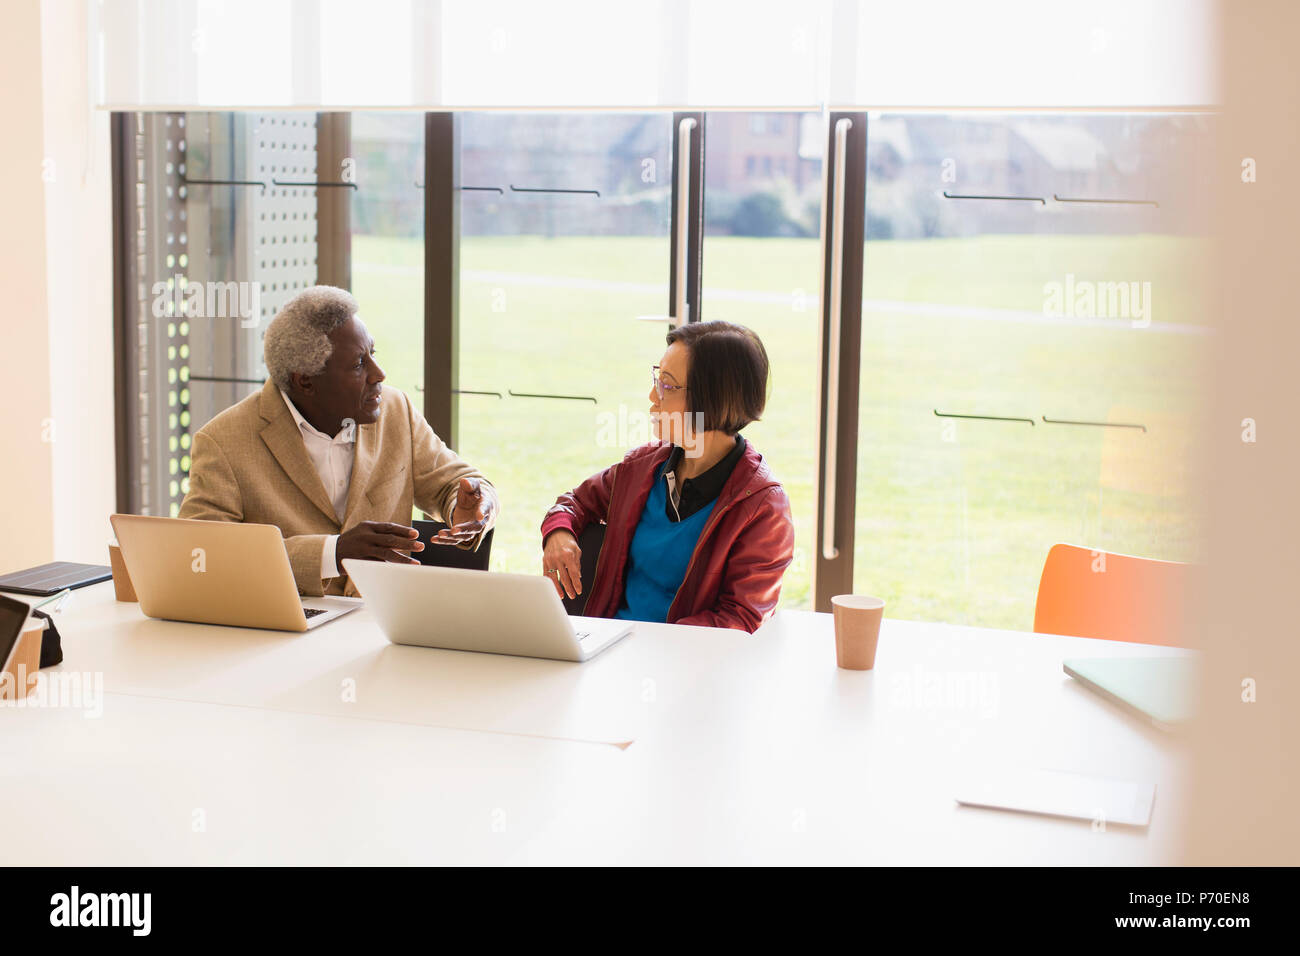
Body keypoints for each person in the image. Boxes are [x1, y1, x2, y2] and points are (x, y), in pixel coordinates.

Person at [179, 285, 498, 597]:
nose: (379, 374)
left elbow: (456, 482)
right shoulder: (223, 442)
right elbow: (202, 555)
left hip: (384, 627)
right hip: (284, 635)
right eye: (360, 363)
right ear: (305, 380)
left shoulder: (395, 410)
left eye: (373, 354)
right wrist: (331, 553)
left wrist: (469, 507)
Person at [541, 321, 794, 633]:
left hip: (686, 668)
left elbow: (738, 619)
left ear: (711, 399)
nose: (652, 395)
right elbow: (574, 502)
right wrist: (558, 535)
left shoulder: (764, 508)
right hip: (609, 648)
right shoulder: (641, 468)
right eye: (656, 379)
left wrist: (652, 644)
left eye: (667, 385)